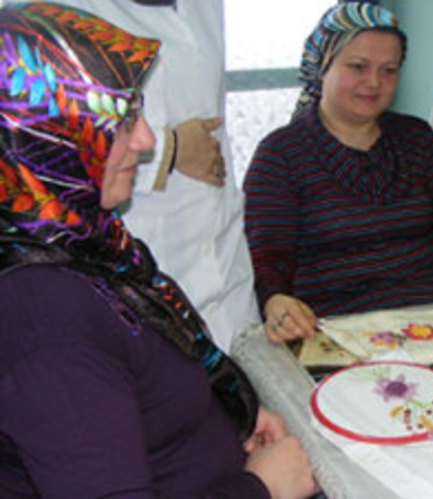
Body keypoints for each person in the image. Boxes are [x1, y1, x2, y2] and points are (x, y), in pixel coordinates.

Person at [0, 4, 316, 497]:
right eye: (122, 120)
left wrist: (232, 412)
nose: (147, 139)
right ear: (46, 134)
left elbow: (145, 377)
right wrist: (263, 488)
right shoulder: (45, 322)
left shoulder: (78, 242)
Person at [9, 0, 262, 352]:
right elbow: (32, 149)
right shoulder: (54, 9)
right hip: (142, 263)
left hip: (225, 262)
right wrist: (168, 149)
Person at [244, 2, 433, 343]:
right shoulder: (280, 155)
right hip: (336, 335)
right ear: (322, 65)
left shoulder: (418, 139)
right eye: (358, 66)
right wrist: (276, 299)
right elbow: (268, 256)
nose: (374, 82)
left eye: (389, 70)